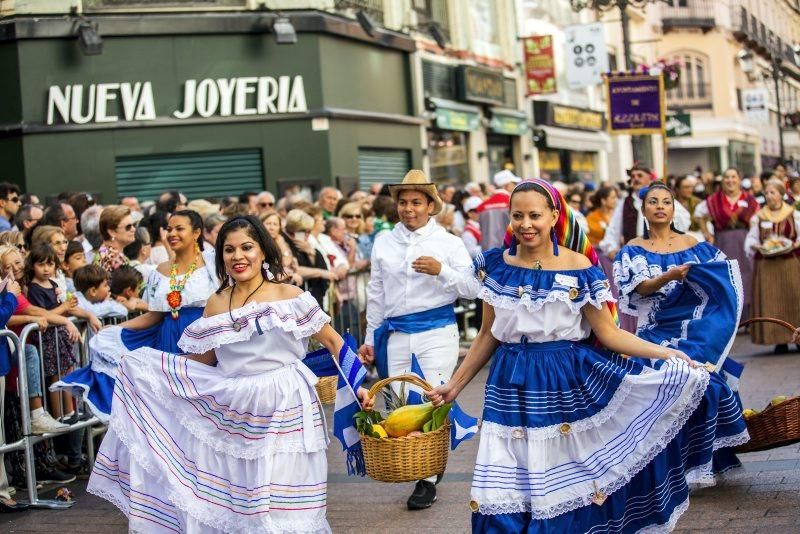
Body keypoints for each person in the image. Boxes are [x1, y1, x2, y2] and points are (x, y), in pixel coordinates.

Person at [427, 179, 728, 532]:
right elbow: (486, 335)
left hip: (564, 381)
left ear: (555, 215)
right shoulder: (495, 266)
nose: (526, 224)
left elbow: (610, 334)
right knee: (504, 482)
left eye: (535, 215)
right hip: (508, 385)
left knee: (561, 478)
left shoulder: (580, 269)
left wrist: (666, 353)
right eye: (518, 216)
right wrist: (455, 386)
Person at [87, 215, 372, 532]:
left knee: (285, 503)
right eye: (229, 249)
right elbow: (200, 363)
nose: (238, 257)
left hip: (288, 405)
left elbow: (334, 343)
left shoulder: (289, 296)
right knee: (247, 501)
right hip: (238, 412)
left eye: (247, 247)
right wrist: (150, 374)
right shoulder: (216, 303)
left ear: (263, 251)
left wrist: (358, 386)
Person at [359, 170, 480, 510]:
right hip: (395, 333)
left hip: (436, 331)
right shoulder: (384, 241)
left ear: (431, 205)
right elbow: (377, 292)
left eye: (416, 202)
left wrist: (442, 270)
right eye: (402, 202)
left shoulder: (449, 243)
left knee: (431, 397)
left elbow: (473, 289)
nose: (409, 208)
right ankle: (410, 461)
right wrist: (370, 336)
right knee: (398, 403)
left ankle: (427, 478)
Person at [614, 182, 750, 482]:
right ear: (644, 208)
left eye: (666, 201)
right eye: (653, 201)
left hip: (697, 331)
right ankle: (667, 469)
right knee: (666, 390)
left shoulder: (696, 245)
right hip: (654, 332)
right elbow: (640, 288)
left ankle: (701, 462)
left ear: (674, 208)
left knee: (707, 386)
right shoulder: (633, 249)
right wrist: (670, 276)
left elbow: (723, 279)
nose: (660, 206)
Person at [52, 210, 218, 421]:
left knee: (203, 408)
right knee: (171, 412)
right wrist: (118, 329)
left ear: (196, 233)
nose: (172, 234)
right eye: (168, 229)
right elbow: (154, 316)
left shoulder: (212, 263)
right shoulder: (161, 271)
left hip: (202, 340)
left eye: (179, 229)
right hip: (168, 342)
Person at [694, 167, 759, 319]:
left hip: (744, 240)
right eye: (727, 177)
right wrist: (707, 233)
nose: (730, 180)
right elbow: (699, 215)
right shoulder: (713, 200)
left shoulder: (749, 199)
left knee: (746, 275)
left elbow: (757, 219)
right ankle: (729, 316)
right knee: (726, 276)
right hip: (722, 240)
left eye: (733, 177)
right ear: (722, 181)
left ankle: (747, 316)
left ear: (739, 180)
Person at [744, 179, 800, 353]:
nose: (769, 196)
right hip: (767, 265)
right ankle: (778, 340)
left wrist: (795, 245)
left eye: (772, 192)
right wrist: (757, 246)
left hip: (789, 263)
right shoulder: (759, 217)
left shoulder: (793, 214)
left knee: (794, 299)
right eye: (766, 193)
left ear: (781, 194)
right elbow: (751, 240)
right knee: (772, 302)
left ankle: (797, 338)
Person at [476, 169, 520, 251]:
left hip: (488, 253)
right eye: (513, 184)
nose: (516, 187)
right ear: (507, 185)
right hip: (510, 252)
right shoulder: (513, 203)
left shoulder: (481, 206)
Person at [93, 205, 137, 273]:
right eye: (128, 227)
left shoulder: (114, 254)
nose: (133, 229)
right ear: (112, 232)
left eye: (134, 225)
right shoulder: (107, 259)